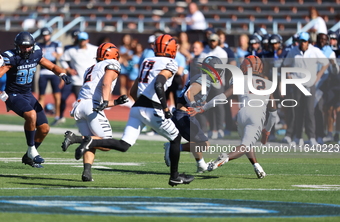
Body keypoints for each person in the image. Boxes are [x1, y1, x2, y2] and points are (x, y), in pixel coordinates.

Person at [69, 34, 194, 187]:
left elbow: (134, 90)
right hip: (152, 107)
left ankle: (88, 140)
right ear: (172, 49)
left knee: (124, 145)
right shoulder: (171, 62)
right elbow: (159, 85)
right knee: (175, 138)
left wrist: (140, 104)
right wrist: (165, 107)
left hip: (137, 108)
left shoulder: (147, 61)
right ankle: (174, 176)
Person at [188, 56, 278, 178]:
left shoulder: (240, 79)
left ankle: (257, 166)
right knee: (245, 145)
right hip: (257, 115)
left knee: (246, 144)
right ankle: (224, 158)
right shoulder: (268, 84)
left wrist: (203, 108)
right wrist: (267, 130)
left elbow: (222, 97)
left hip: (241, 114)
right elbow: (273, 112)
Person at [0, 31, 71, 168]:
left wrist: (62, 73)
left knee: (44, 128)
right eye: (22, 46)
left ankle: (28, 157)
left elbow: (50, 66)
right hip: (13, 94)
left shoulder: (37, 53)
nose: (26, 49)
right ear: (17, 46)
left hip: (27, 94)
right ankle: (32, 150)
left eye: (28, 46)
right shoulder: (12, 57)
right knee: (31, 115)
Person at [61, 42, 128, 181]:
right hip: (92, 105)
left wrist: (115, 102)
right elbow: (106, 82)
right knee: (106, 142)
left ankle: (87, 173)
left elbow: (93, 91)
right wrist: (106, 100)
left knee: (92, 142)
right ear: (113, 55)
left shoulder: (91, 67)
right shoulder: (112, 64)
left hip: (80, 106)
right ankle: (75, 139)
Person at [167, 56, 224, 173]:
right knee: (203, 144)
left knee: (197, 141)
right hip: (183, 115)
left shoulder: (203, 78)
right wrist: (193, 104)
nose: (218, 73)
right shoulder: (204, 79)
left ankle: (201, 165)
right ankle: (176, 148)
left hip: (183, 114)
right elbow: (189, 94)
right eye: (216, 70)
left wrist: (200, 104)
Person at [282, 32, 329, 146]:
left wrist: (318, 76)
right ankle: (298, 137)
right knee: (297, 112)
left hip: (309, 85)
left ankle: (312, 137)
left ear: (308, 42)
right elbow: (286, 64)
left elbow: (325, 63)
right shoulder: (293, 51)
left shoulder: (314, 51)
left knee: (309, 111)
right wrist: (289, 76)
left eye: (304, 41)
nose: (302, 43)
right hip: (297, 84)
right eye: (301, 41)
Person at [60, 31, 98, 111]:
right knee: (81, 102)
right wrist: (68, 69)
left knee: (92, 102)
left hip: (92, 81)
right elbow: (62, 59)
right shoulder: (72, 51)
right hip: (78, 81)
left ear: (88, 40)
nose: (82, 42)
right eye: (80, 40)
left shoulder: (94, 49)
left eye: (84, 40)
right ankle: (80, 120)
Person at [36, 27, 64, 125]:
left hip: (53, 72)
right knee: (41, 96)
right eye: (44, 35)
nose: (45, 37)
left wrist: (56, 55)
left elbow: (60, 55)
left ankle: (57, 116)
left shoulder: (56, 44)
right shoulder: (38, 45)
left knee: (57, 95)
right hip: (43, 72)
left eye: (47, 35)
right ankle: (40, 116)